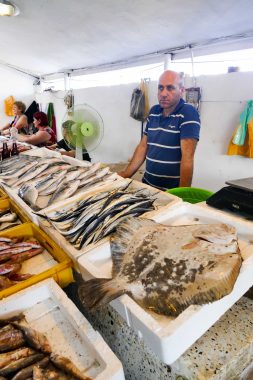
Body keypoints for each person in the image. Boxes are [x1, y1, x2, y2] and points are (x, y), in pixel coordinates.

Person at [118, 70, 201, 190]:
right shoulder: (154, 112)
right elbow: (143, 146)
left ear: (181, 91)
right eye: (160, 88)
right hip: (147, 185)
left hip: (171, 192)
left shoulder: (188, 113)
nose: (163, 93)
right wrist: (126, 174)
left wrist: (182, 194)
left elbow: (187, 158)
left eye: (170, 88)